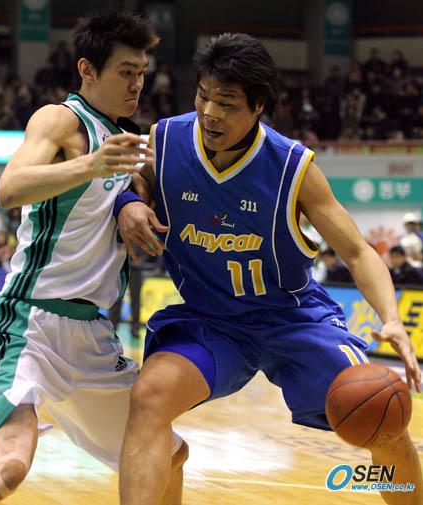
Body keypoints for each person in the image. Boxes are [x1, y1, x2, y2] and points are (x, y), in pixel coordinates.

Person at [117, 33, 422, 505]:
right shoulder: (166, 140)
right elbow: (130, 181)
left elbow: (358, 253)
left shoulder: (294, 168)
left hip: (291, 318)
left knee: (383, 417)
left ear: (258, 105)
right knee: (148, 397)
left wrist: (393, 319)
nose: (209, 113)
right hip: (212, 321)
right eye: (202, 95)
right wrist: (129, 201)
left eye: (226, 103)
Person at [0, 11, 186, 505]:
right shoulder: (61, 119)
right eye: (125, 72)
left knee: (168, 455)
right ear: (87, 70)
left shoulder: (127, 139)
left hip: (91, 333)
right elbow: (10, 188)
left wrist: (130, 201)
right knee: (10, 462)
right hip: (30, 321)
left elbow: (122, 191)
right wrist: (91, 164)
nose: (137, 84)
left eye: (141, 73)